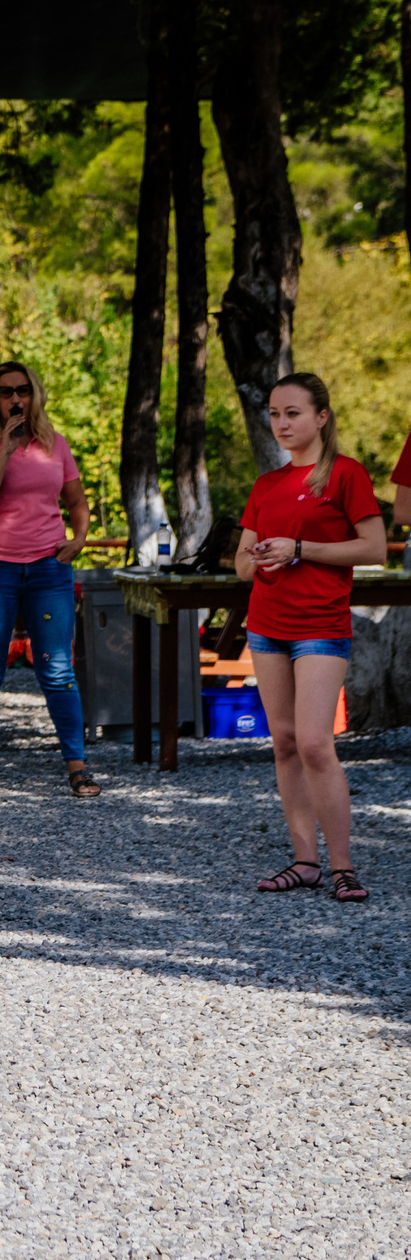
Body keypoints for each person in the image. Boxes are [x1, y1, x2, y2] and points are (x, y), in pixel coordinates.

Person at [239, 373, 385, 902]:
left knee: (316, 744)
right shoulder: (266, 485)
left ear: (321, 417)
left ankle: (343, 866)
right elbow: (240, 564)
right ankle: (306, 862)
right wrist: (258, 557)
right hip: (267, 626)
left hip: (321, 625)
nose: (281, 423)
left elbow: (373, 548)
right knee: (283, 744)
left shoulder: (346, 474)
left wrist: (300, 548)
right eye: (274, 414)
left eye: (293, 413)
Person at [0, 359, 97, 799]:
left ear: (34, 394)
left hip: (48, 569)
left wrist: (80, 538)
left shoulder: (56, 444)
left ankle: (78, 767)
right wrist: (5, 451)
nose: (15, 399)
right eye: (6, 391)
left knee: (58, 670)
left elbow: (77, 500)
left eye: (22, 390)